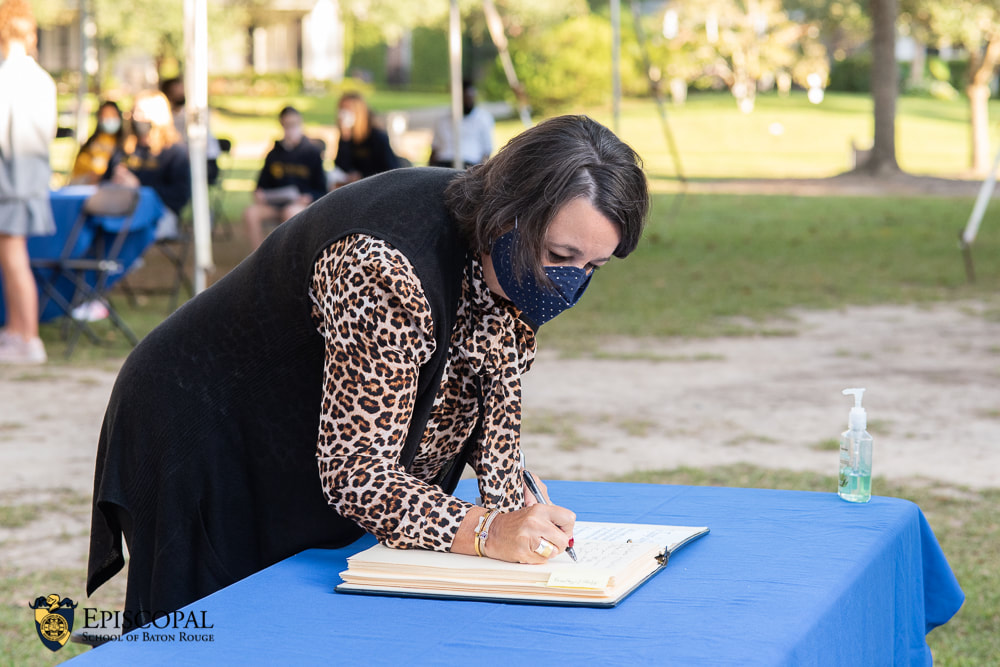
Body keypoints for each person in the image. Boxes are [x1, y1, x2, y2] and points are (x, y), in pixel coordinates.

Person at [86, 115, 649, 631]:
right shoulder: (385, 266)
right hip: (197, 424)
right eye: (559, 255)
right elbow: (357, 472)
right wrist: (487, 532)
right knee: (205, 635)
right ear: (509, 216)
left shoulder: (505, 251)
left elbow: (489, 380)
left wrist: (515, 503)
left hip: (286, 426)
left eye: (592, 267)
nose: (570, 281)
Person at [0, 0, 56, 365]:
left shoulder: (8, 77)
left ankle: (28, 337)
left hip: (11, 182)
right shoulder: (42, 78)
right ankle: (18, 331)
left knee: (13, 257)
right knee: (12, 257)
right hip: (31, 178)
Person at [109, 91, 191, 240]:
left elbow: (180, 194)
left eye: (142, 113)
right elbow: (106, 178)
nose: (136, 118)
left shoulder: (175, 152)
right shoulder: (124, 149)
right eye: (134, 112)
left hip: (159, 213)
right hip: (120, 207)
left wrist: (139, 186)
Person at [243, 106, 326, 250]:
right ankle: (260, 258)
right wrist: (260, 193)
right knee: (251, 213)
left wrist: (308, 197)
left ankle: (286, 257)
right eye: (286, 125)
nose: (290, 129)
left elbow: (322, 190)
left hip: (300, 205)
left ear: (300, 123)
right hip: (276, 203)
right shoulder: (274, 154)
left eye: (294, 124)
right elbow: (261, 185)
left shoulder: (311, 153)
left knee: (290, 212)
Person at [160, 76, 222, 185]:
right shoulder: (165, 116)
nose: (180, 94)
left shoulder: (196, 114)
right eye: (175, 91)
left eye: (181, 90)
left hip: (205, 162)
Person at [330, 91, 399, 188]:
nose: (343, 114)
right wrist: (345, 138)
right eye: (341, 109)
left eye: (347, 110)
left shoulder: (377, 137)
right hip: (355, 186)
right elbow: (341, 166)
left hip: (375, 186)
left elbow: (389, 169)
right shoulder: (346, 136)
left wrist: (362, 176)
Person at [429, 80, 494, 169]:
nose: (469, 102)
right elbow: (434, 149)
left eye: (471, 98)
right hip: (443, 163)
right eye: (465, 99)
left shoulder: (483, 118)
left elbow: (487, 151)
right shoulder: (442, 121)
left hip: (470, 164)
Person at [68, 101, 126, 185]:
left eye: (112, 115)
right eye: (105, 115)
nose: (109, 119)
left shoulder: (125, 143)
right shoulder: (92, 144)